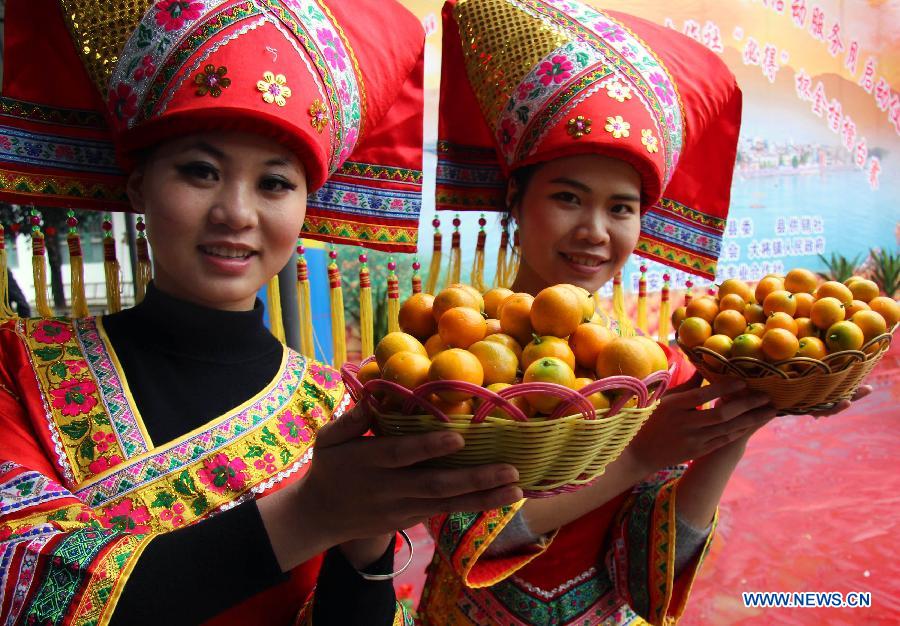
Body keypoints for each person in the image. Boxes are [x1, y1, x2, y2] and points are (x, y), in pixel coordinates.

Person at [0, 1, 522, 624]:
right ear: (139, 185)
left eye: (274, 184)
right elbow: (22, 587)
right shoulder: (18, 364)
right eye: (201, 171)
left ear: (306, 207)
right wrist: (312, 513)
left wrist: (364, 550)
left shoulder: (339, 411)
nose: (237, 214)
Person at [419, 1, 870, 624]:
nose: (595, 231)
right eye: (569, 198)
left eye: (622, 208)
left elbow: (642, 574)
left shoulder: (657, 371)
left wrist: (746, 415)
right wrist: (638, 455)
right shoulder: (446, 354)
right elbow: (463, 529)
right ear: (515, 202)